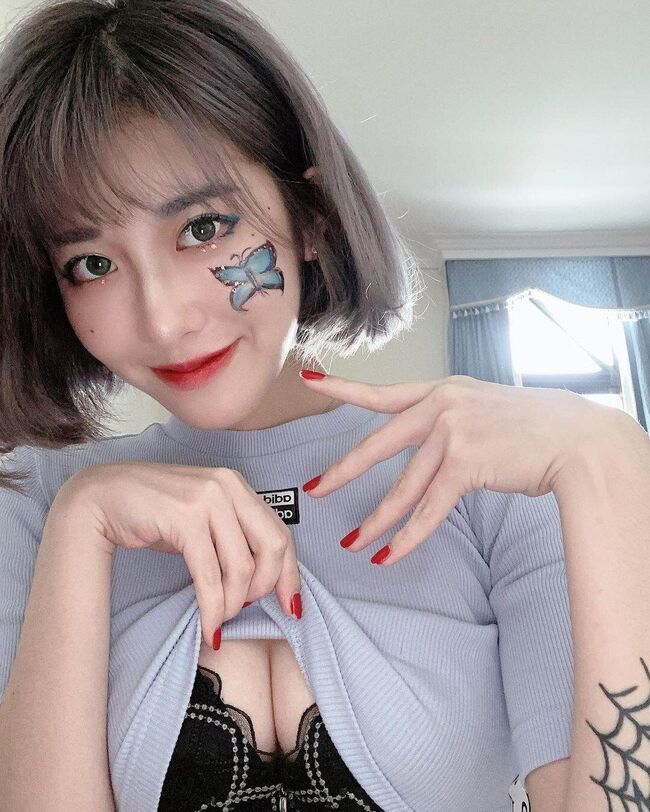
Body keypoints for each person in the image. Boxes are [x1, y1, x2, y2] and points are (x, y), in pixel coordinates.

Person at [0, 1, 649, 811]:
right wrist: (83, 520)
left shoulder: (495, 487)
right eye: (92, 263)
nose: (161, 320)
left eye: (203, 227)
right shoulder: (35, 506)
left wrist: (610, 455)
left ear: (308, 218)